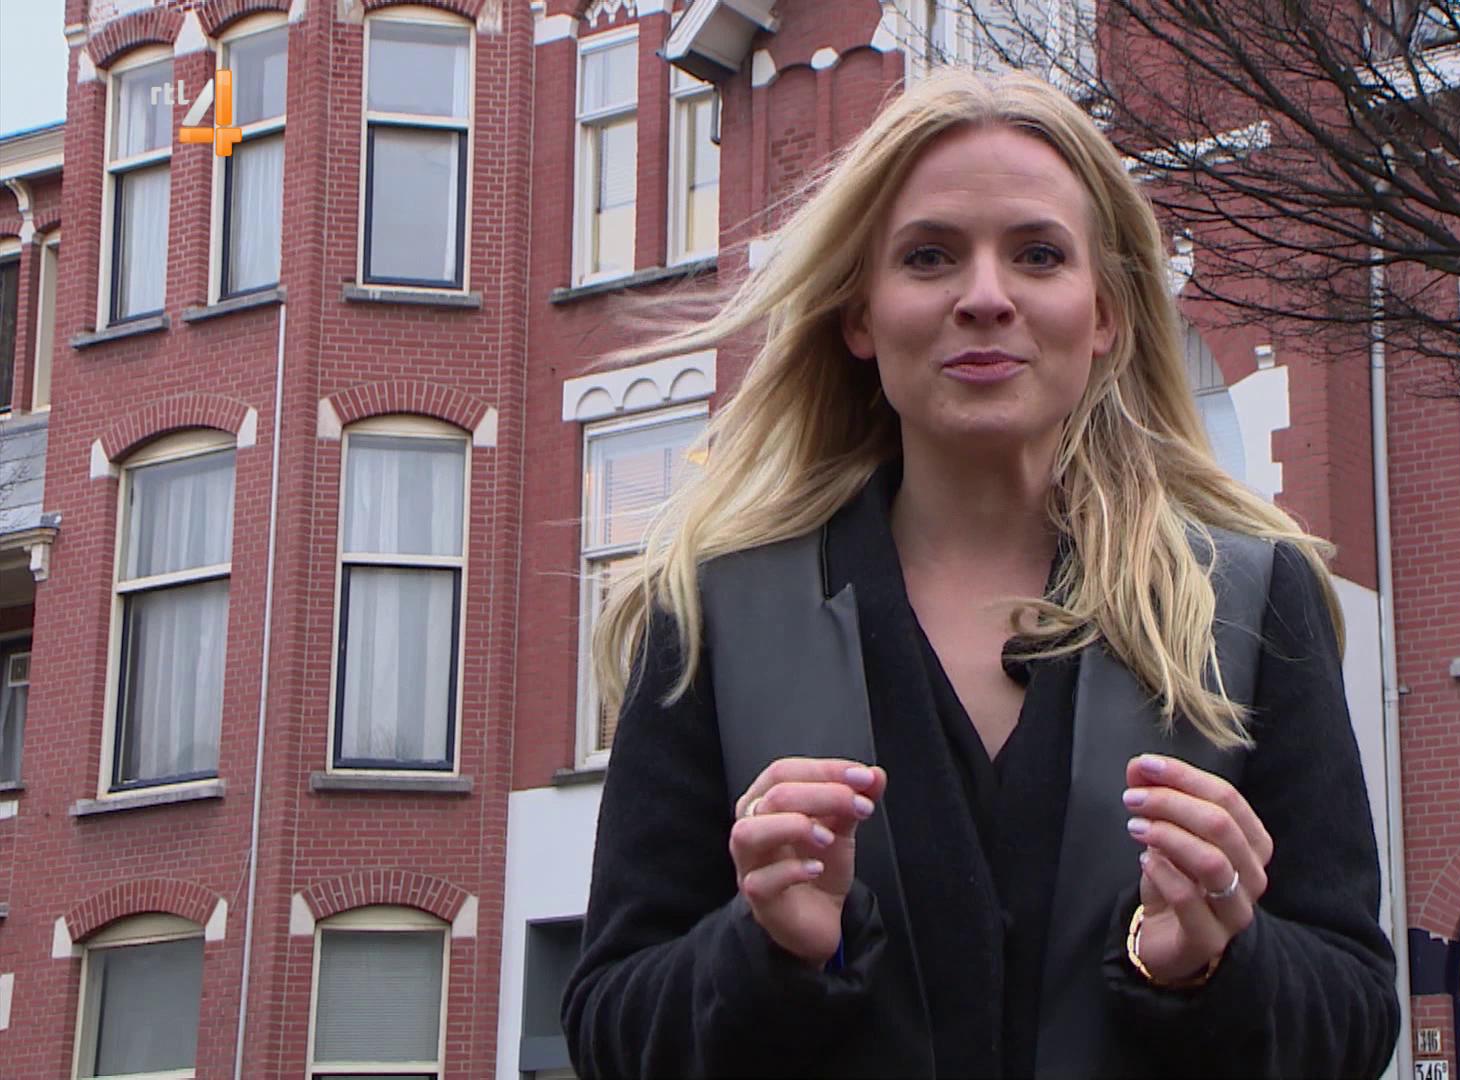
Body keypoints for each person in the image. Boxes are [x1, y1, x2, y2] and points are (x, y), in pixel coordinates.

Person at [561, 68, 1399, 1079]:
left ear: (1106, 313)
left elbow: (1355, 1015)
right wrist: (770, 952)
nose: (987, 297)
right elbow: (610, 1026)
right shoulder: (713, 615)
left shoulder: (1254, 600)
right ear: (860, 314)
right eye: (929, 256)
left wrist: (1203, 963)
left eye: (1039, 254)